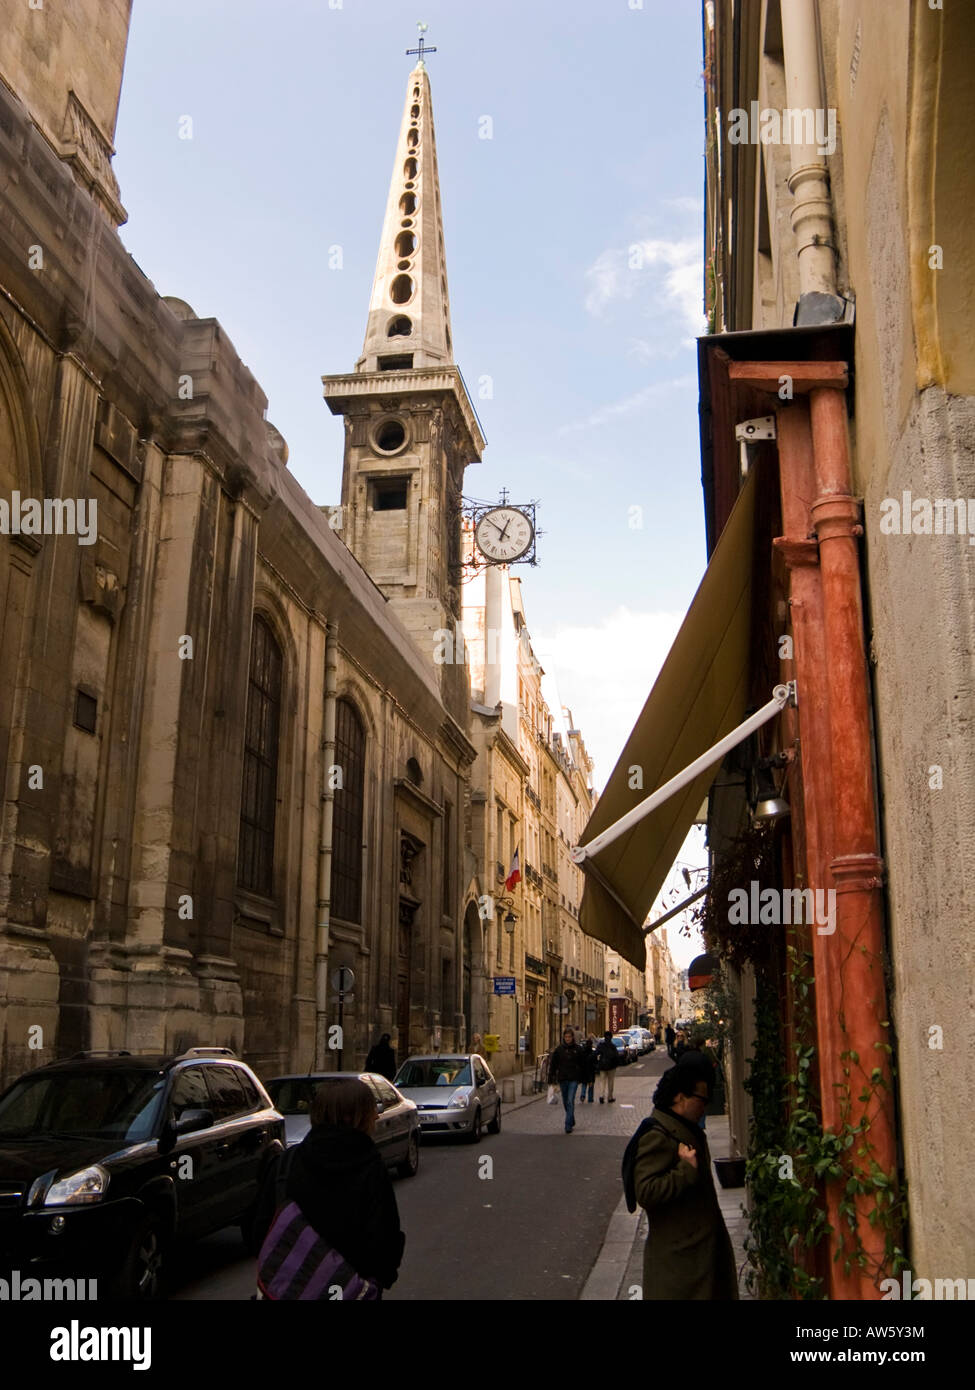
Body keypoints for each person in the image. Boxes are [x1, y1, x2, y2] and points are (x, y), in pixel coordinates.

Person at [255, 1077, 405, 1298]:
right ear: (355, 1117)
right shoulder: (370, 1169)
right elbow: (384, 1242)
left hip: (290, 1290)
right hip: (351, 1291)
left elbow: (259, 1232)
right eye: (371, 1110)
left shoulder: (286, 1165)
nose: (376, 1116)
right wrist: (375, 1282)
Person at [623, 1062, 737, 1300]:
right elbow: (646, 1191)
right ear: (679, 1097)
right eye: (701, 1100)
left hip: (698, 1256)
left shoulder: (684, 1129)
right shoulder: (659, 1135)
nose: (705, 1107)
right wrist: (685, 1170)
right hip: (679, 1266)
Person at [547, 1026, 585, 1132]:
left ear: (572, 1037)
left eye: (569, 1037)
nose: (567, 1039)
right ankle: (571, 1119)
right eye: (566, 1037)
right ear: (563, 1037)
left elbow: (583, 1064)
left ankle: (567, 1125)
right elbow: (553, 1065)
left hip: (573, 1078)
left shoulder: (578, 1049)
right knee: (565, 1101)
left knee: (570, 1100)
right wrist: (551, 1078)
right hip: (563, 1078)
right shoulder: (559, 1050)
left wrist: (582, 1077)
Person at [595, 1030, 620, 1103]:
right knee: (610, 1082)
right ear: (611, 1037)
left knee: (602, 1082)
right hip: (611, 1067)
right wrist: (616, 1064)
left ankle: (601, 1096)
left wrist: (597, 1063)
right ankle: (610, 1097)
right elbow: (616, 1056)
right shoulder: (613, 1046)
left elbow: (596, 1053)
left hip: (602, 1066)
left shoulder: (601, 1045)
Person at [578, 1035, 598, 1103]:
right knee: (591, 1085)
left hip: (584, 1071)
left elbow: (580, 1062)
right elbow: (595, 1062)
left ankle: (583, 1095)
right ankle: (590, 1098)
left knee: (584, 1084)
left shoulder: (582, 1052)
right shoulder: (593, 1052)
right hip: (591, 1071)